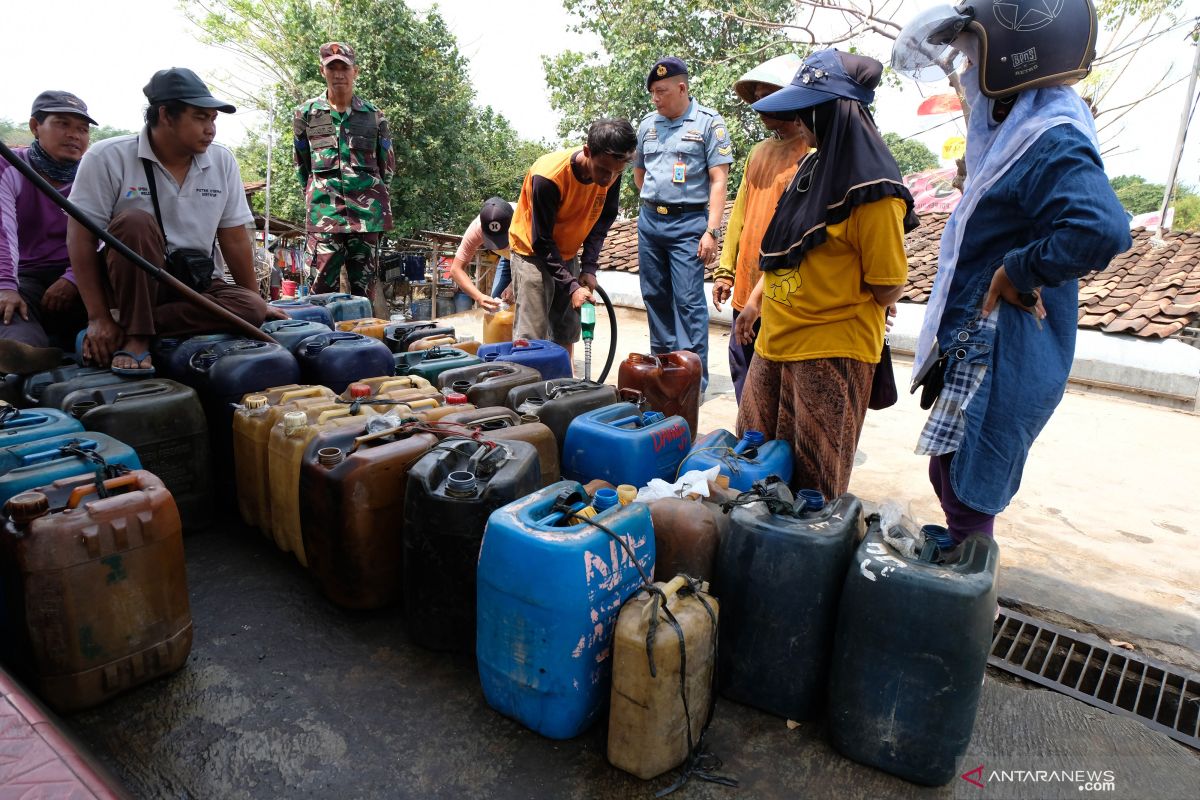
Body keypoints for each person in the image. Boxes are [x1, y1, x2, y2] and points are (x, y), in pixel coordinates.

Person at [892, 0, 1130, 548]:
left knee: (968, 488)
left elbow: (1101, 227)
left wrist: (1018, 270)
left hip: (1001, 345)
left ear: (1014, 59)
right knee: (952, 475)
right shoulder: (1022, 131)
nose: (966, 74)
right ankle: (965, 587)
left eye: (971, 59)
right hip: (980, 340)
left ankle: (968, 598)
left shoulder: (1050, 136)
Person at [734, 49, 919, 500]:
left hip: (831, 349)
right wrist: (755, 302)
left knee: (811, 488)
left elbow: (887, 283)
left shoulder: (874, 189)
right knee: (750, 468)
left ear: (833, 110)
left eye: (807, 110)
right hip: (776, 340)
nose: (799, 121)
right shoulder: (813, 167)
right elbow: (786, 249)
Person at [67, 67, 276, 375]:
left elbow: (233, 237)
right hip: (132, 287)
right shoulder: (106, 157)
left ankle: (131, 326)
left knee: (252, 308)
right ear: (165, 115)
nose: (211, 130)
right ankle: (137, 339)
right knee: (135, 223)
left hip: (196, 285)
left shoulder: (222, 160)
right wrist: (98, 317)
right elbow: (80, 239)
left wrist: (254, 304)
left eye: (213, 119)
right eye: (200, 117)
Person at [712, 55, 813, 401]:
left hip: (783, 288)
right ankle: (750, 438)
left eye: (766, 94)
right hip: (746, 281)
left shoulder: (811, 152)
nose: (758, 102)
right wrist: (725, 270)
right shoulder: (758, 153)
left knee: (777, 380)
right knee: (743, 366)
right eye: (755, 95)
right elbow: (739, 213)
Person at [634, 57, 733, 392]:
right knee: (654, 296)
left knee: (688, 304)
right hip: (650, 223)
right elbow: (639, 173)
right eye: (652, 93)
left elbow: (719, 181)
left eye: (661, 91)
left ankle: (692, 383)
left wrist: (711, 231)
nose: (656, 99)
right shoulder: (647, 124)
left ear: (682, 87)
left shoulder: (708, 124)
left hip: (689, 223)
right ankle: (662, 374)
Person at [508, 118, 636, 359]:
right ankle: (528, 390)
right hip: (532, 254)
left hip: (567, 252)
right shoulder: (549, 177)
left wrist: (588, 267)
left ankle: (565, 385)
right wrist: (571, 285)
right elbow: (542, 241)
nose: (609, 179)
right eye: (603, 170)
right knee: (532, 334)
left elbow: (601, 223)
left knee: (567, 329)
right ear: (587, 151)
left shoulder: (612, 171)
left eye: (617, 172)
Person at [0, 91, 96, 374]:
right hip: (26, 276)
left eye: (82, 129)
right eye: (62, 124)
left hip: (83, 272)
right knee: (10, 312)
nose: (74, 135)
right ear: (34, 127)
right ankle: (28, 356)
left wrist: (72, 278)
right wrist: (6, 286)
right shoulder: (10, 165)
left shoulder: (94, 172)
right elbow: (2, 231)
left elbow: (105, 235)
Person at [294, 42, 394, 299]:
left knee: (365, 295)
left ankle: (362, 339)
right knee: (318, 294)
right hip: (324, 216)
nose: (338, 73)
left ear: (355, 71)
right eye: (332, 68)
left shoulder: (374, 116)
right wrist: (318, 197)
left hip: (366, 218)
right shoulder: (306, 115)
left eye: (344, 67)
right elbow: (302, 166)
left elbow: (387, 168)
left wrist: (370, 198)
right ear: (322, 71)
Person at [446, 197, 514, 312]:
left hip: (531, 259)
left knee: (527, 304)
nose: (500, 246)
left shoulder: (528, 222)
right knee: (496, 305)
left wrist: (514, 285)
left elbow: (537, 264)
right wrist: (479, 297)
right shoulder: (476, 228)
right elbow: (455, 270)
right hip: (508, 258)